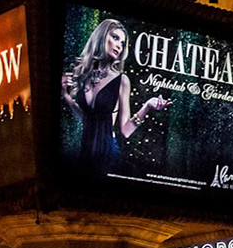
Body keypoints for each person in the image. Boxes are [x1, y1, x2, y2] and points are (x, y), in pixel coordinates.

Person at [61, 18, 168, 168]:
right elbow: (85, 117)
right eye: (115, 38)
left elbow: (125, 130)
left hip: (108, 154)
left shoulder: (122, 81)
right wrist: (65, 96)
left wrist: (147, 106)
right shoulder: (84, 75)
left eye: (123, 43)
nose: (119, 45)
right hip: (84, 154)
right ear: (101, 37)